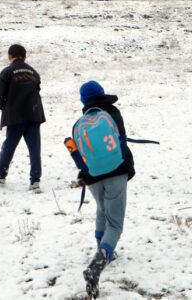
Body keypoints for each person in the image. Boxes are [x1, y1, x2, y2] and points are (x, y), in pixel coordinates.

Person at [64, 81, 135, 299]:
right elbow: (121, 142)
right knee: (115, 223)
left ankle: (102, 249)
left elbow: (80, 155)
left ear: (83, 100)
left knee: (101, 210)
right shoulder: (112, 113)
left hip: (93, 176)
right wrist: (128, 168)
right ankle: (98, 262)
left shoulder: (79, 123)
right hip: (116, 171)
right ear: (102, 93)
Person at [0, 44, 46, 190]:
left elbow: (0, 95)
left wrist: (5, 108)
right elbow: (37, 90)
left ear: (10, 56)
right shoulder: (34, 72)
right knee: (34, 148)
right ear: (25, 57)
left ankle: (1, 174)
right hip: (34, 115)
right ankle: (35, 181)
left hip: (15, 116)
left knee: (9, 145)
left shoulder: (7, 72)